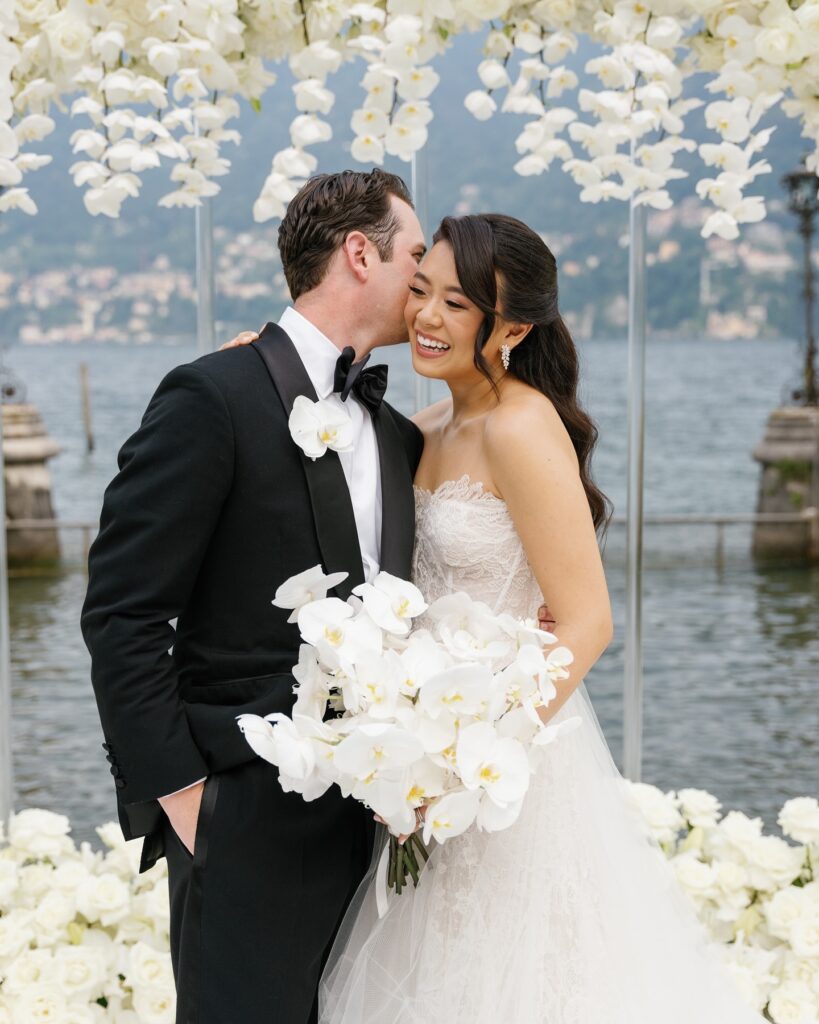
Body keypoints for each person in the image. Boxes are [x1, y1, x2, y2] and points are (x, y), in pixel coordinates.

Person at [229, 212, 765, 1023]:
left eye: (459, 304)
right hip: (416, 768)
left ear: (511, 327)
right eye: (421, 291)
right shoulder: (422, 428)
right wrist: (255, 378)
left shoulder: (521, 427)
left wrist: (456, 771)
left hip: (502, 772)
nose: (427, 319)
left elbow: (586, 625)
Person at [80, 168, 428, 1024]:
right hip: (245, 823)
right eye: (414, 256)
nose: (424, 279)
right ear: (359, 252)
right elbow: (122, 613)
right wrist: (188, 804)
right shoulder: (212, 396)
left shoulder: (400, 434)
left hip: (382, 832)